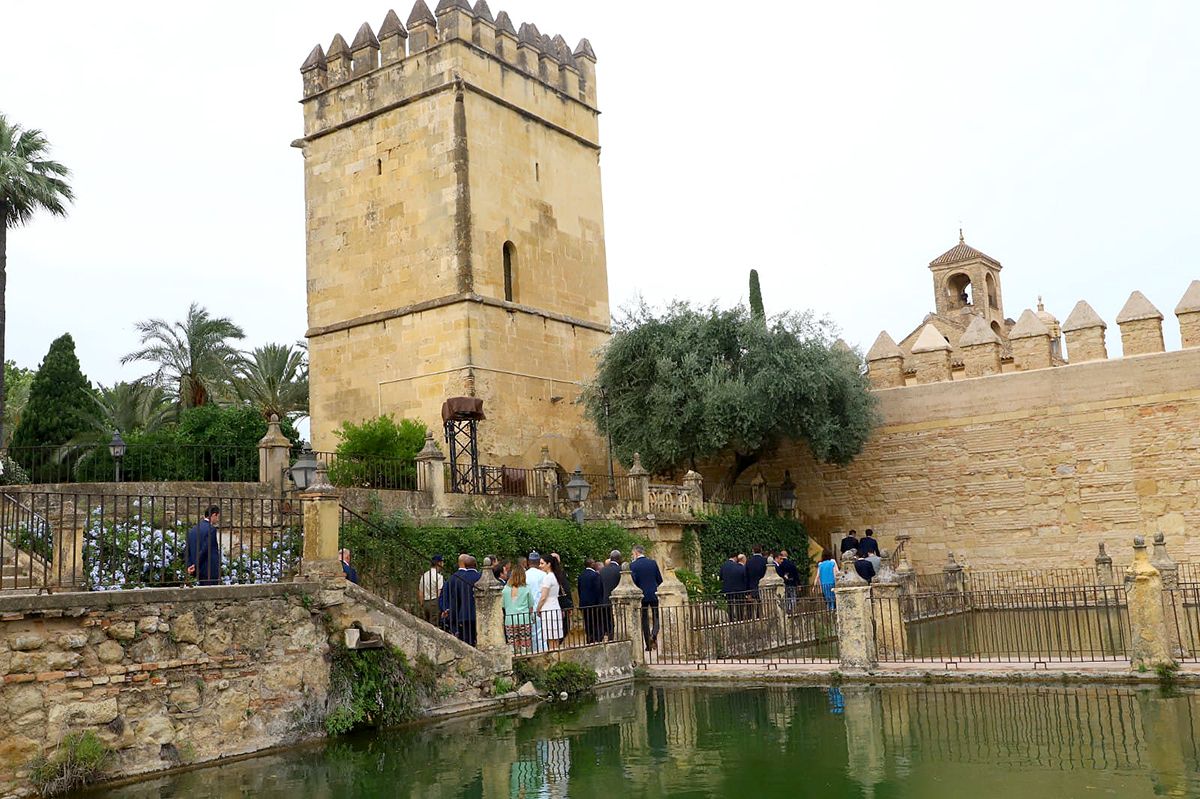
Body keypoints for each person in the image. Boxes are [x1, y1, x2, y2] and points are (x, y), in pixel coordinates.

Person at [440, 555, 482, 646]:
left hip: (463, 615)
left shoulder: (459, 579)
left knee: (466, 643)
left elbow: (455, 599)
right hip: (478, 615)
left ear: (465, 565)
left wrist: (453, 615)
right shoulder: (480, 577)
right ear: (476, 564)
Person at [629, 545, 663, 651]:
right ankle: (654, 635)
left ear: (636, 553)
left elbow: (634, 582)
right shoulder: (652, 563)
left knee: (644, 619)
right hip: (654, 593)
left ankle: (648, 645)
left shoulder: (633, 566)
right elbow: (659, 579)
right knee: (656, 616)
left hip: (642, 595)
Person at [502, 561, 535, 655]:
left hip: (510, 619)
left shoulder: (505, 589)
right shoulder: (526, 588)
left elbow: (503, 605)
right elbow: (530, 605)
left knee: (513, 645)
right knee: (526, 644)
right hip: (524, 618)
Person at [185, 505, 222, 586]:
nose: (218, 519)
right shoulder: (211, 529)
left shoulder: (193, 529)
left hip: (196, 571)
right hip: (209, 570)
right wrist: (195, 564)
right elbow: (205, 550)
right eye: (218, 516)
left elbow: (187, 550)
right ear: (214, 515)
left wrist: (190, 565)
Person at [534, 555, 563, 650]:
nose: (540, 566)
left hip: (548, 608)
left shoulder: (548, 578)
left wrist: (538, 609)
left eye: (542, 563)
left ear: (549, 564)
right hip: (555, 607)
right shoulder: (555, 576)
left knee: (550, 639)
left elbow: (543, 597)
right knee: (555, 638)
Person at [578, 558, 605, 644]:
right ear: (592, 565)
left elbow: (579, 590)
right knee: (596, 621)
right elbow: (598, 590)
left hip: (584, 603)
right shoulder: (595, 575)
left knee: (587, 621)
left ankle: (589, 637)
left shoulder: (581, 575)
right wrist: (600, 602)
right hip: (594, 603)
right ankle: (597, 638)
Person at [549, 553, 574, 640]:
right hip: (558, 604)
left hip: (560, 604)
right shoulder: (556, 574)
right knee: (561, 628)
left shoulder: (559, 573)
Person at [526, 551, 547, 651]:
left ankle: (533, 652)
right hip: (541, 607)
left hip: (528, 608)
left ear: (528, 562)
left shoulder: (525, 575)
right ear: (538, 562)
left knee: (531, 633)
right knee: (542, 633)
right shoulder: (543, 575)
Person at [599, 550, 622, 640]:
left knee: (609, 622)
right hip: (619, 601)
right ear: (619, 558)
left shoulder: (603, 570)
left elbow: (600, 587)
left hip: (606, 600)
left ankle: (610, 637)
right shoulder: (620, 570)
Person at [719, 552, 747, 622]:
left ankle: (731, 619)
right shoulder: (737, 566)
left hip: (727, 589)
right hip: (738, 589)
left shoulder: (723, 565)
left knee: (730, 605)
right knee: (739, 605)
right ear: (735, 557)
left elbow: (721, 577)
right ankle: (740, 619)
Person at [418, 555, 445, 625]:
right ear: (439, 563)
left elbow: (421, 592)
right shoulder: (439, 577)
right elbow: (439, 592)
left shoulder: (424, 575)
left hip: (425, 602)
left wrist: (422, 604)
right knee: (435, 625)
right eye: (442, 562)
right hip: (434, 602)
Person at [745, 545, 768, 617]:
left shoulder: (749, 561)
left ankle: (755, 618)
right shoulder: (765, 561)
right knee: (764, 606)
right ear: (761, 550)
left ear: (752, 551)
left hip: (752, 588)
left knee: (754, 607)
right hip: (764, 587)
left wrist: (748, 591)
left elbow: (746, 577)